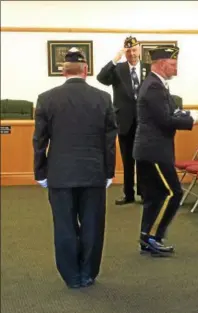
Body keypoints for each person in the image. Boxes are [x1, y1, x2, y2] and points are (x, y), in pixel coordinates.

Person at [33, 48, 117, 288]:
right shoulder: (103, 98)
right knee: (92, 224)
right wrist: (109, 171)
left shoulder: (46, 98)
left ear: (63, 72)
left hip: (60, 174)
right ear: (86, 71)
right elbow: (109, 141)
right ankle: (88, 273)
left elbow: (40, 140)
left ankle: (71, 276)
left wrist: (40, 172)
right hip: (93, 173)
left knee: (64, 226)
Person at [133, 46, 198, 256]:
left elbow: (168, 111)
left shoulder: (157, 84)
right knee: (172, 193)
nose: (176, 69)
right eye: (173, 65)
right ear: (162, 64)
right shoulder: (154, 86)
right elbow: (165, 120)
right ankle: (154, 237)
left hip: (151, 149)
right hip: (154, 151)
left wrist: (185, 112)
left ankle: (147, 237)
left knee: (155, 196)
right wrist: (191, 119)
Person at [97, 36, 150, 205]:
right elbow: (101, 78)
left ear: (140, 49)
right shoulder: (118, 69)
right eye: (128, 51)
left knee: (143, 159)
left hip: (144, 121)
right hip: (124, 121)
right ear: (124, 52)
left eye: (134, 50)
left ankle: (143, 193)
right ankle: (128, 194)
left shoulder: (149, 69)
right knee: (128, 160)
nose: (132, 54)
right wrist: (115, 59)